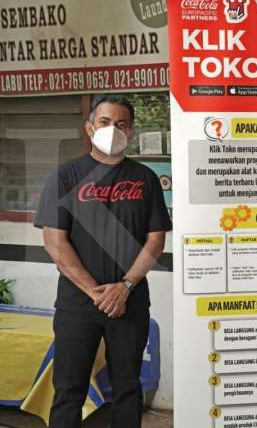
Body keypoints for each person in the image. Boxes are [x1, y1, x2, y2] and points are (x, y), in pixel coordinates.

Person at [34, 95, 173, 428]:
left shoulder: (145, 178)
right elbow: (55, 243)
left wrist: (124, 287)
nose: (114, 129)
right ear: (89, 128)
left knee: (128, 387)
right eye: (105, 122)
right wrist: (96, 292)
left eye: (122, 124)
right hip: (77, 303)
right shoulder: (65, 175)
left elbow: (155, 240)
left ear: (131, 131)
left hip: (130, 301)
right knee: (69, 389)